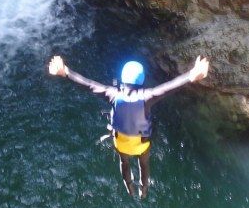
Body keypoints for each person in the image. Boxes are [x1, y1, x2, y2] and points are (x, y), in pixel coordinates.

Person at [48, 55, 209, 198]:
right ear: (141, 80)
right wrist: (191, 76)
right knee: (144, 164)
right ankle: (143, 190)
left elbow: (88, 85)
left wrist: (66, 72)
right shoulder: (147, 97)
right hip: (141, 144)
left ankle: (128, 187)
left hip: (121, 143)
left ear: (123, 79)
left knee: (124, 162)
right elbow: (169, 87)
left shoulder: (112, 94)